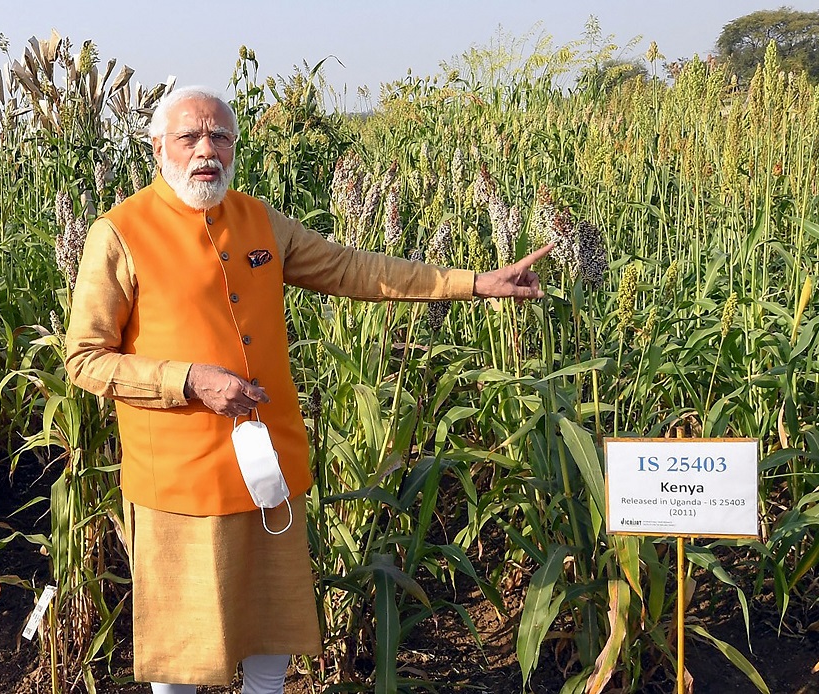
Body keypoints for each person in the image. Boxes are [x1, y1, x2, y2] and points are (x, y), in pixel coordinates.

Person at [64, 85, 551, 694]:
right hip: (178, 480)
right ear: (159, 146)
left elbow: (355, 270)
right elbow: (84, 361)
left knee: (274, 633)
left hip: (268, 465)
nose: (206, 150)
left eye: (219, 136)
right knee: (179, 654)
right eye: (190, 137)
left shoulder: (259, 220)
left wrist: (474, 282)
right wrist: (188, 380)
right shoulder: (120, 233)